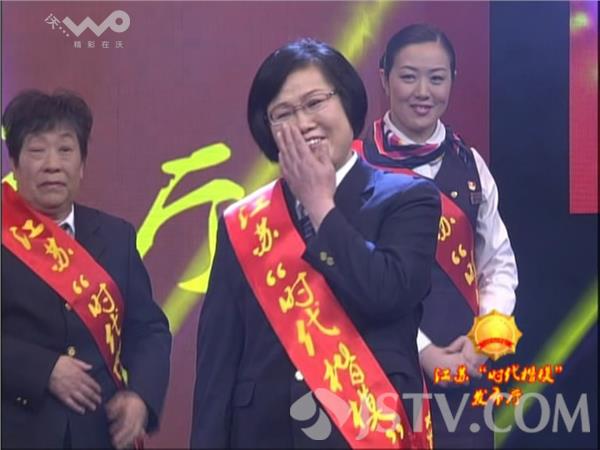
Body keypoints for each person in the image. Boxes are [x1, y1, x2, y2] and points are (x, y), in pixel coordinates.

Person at [191, 38, 441, 449]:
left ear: (347, 102)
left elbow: (387, 293)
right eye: (283, 113)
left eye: (314, 103)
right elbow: (217, 365)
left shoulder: (409, 199)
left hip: (366, 430)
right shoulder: (242, 223)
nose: (303, 122)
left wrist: (320, 204)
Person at [353, 24, 518, 448]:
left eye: (437, 78)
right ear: (384, 77)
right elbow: (350, 282)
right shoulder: (355, 167)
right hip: (379, 377)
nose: (423, 92)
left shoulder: (471, 165)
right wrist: (422, 350)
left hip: (464, 380)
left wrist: (484, 339)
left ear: (453, 81)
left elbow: (498, 265)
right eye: (409, 77)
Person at [1, 90, 172, 449]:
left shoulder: (116, 236)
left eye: (65, 149)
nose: (52, 164)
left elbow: (148, 330)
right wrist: (43, 369)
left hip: (100, 434)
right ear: (15, 165)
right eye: (37, 150)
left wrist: (141, 396)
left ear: (81, 165)